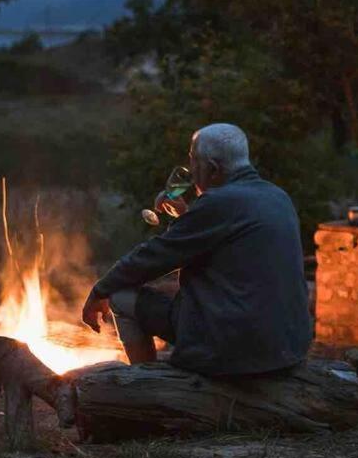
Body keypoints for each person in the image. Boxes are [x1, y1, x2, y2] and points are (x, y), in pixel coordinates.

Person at [80, 123, 312, 376]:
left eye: (193, 161)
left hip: (232, 349)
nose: (190, 170)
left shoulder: (218, 203)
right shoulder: (277, 196)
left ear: (212, 168)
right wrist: (186, 216)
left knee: (120, 295)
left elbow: (153, 257)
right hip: (287, 346)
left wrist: (100, 289)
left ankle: (145, 384)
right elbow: (227, 244)